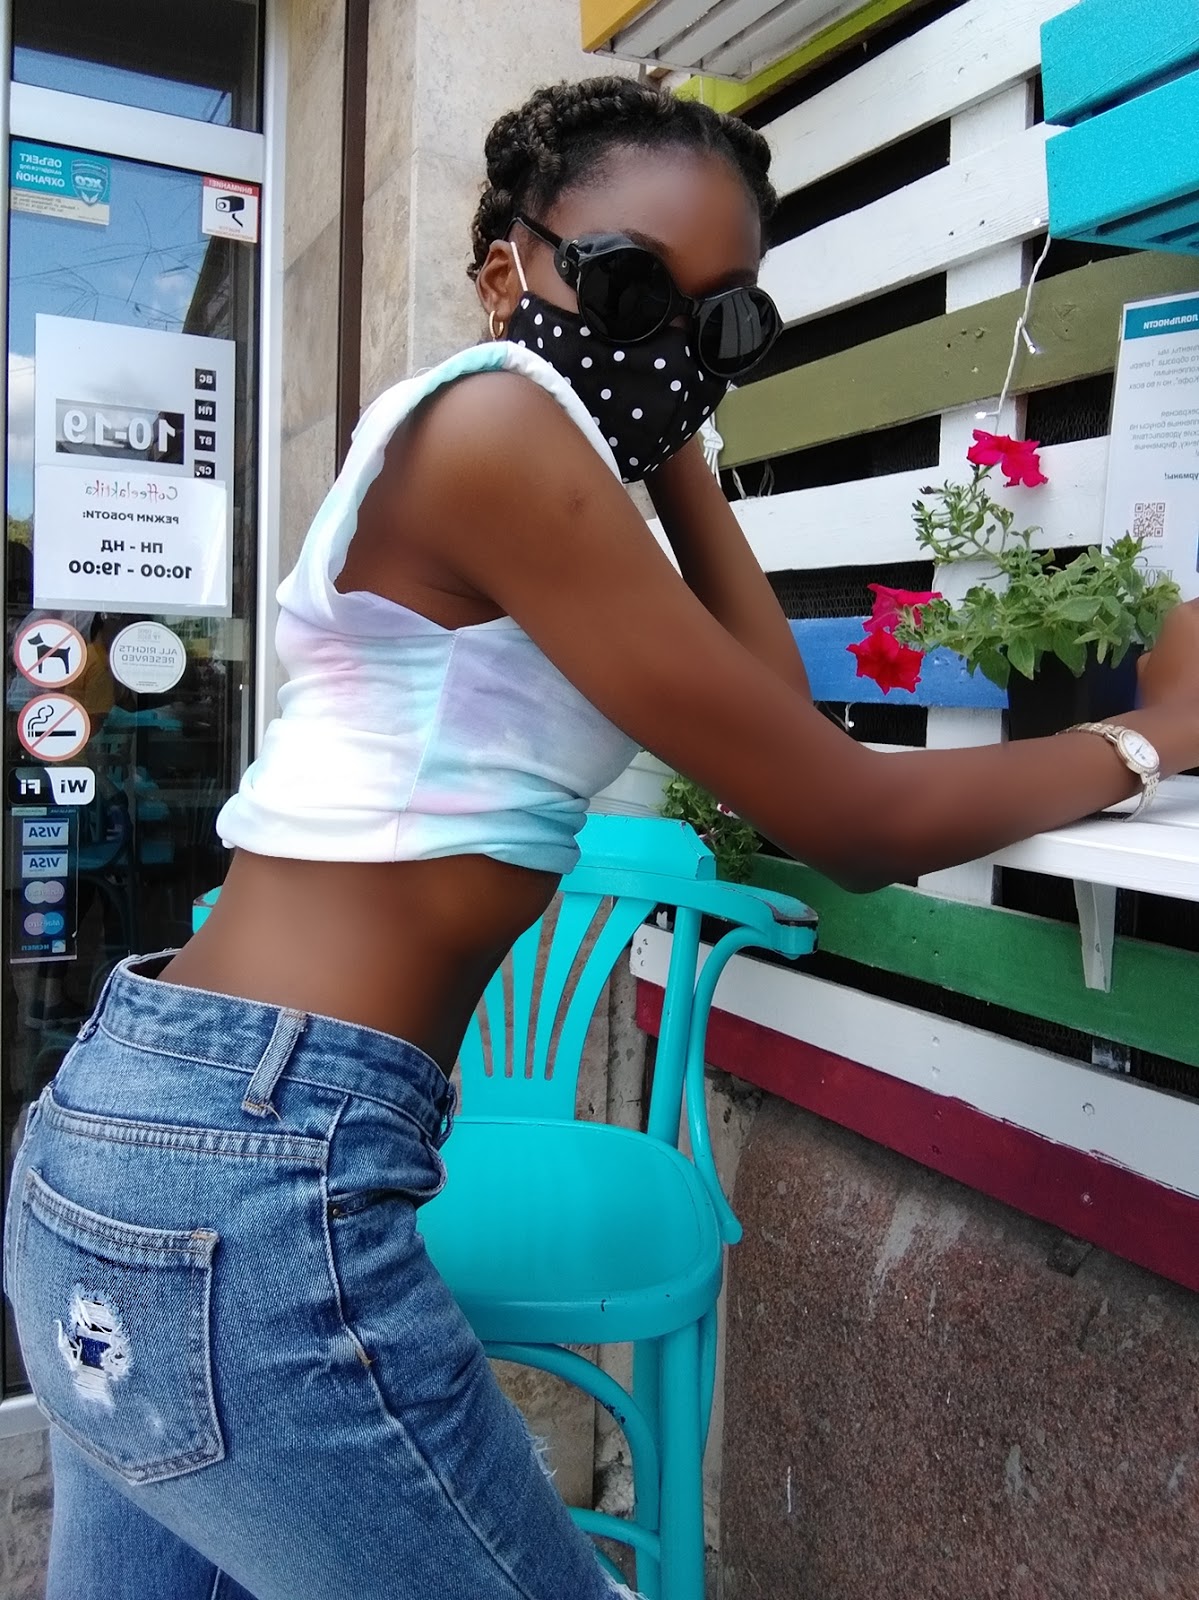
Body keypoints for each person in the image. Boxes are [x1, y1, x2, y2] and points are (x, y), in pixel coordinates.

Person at [6, 76, 1199, 1600]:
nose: (670, 345)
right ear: (509, 265)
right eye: (634, 287)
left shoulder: (538, 457)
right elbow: (845, 816)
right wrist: (1156, 733)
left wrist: (675, 427)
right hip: (253, 1162)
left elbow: (769, 717)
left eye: (723, 324)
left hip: (162, 1126)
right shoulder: (493, 431)